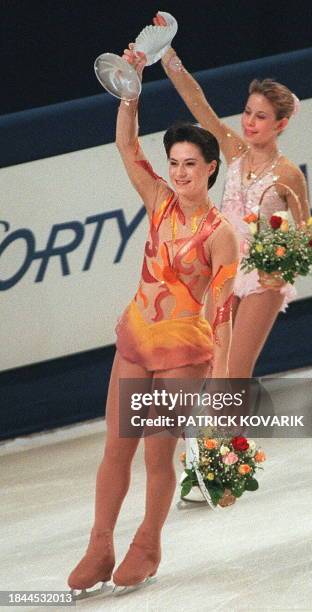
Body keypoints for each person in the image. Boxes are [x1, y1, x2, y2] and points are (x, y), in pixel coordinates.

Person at [67, 50, 239, 597]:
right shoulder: (158, 199)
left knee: (156, 454)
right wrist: (131, 87)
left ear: (211, 167)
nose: (181, 172)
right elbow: (126, 144)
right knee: (116, 447)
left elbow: (223, 311)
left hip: (185, 353)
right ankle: (99, 545)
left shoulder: (221, 235)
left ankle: (148, 542)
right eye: (176, 163)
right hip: (137, 338)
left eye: (192, 163)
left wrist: (225, 387)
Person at [153, 13, 312, 378]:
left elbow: (305, 235)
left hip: (262, 276)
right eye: (247, 112)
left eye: (261, 117)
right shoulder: (234, 152)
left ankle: (232, 438)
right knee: (215, 367)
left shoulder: (289, 175)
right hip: (224, 268)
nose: (249, 122)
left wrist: (278, 266)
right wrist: (167, 54)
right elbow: (198, 104)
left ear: (280, 124)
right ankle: (220, 436)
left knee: (236, 369)